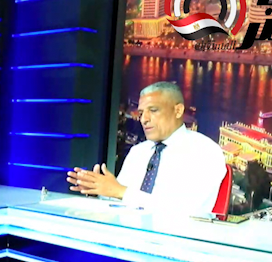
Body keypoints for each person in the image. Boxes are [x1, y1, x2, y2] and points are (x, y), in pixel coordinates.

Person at [66, 81, 225, 216]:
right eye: (141, 113)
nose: (144, 119)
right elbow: (119, 199)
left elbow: (187, 211)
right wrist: (98, 191)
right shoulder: (138, 152)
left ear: (178, 111)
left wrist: (120, 191)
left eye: (153, 110)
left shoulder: (205, 152)